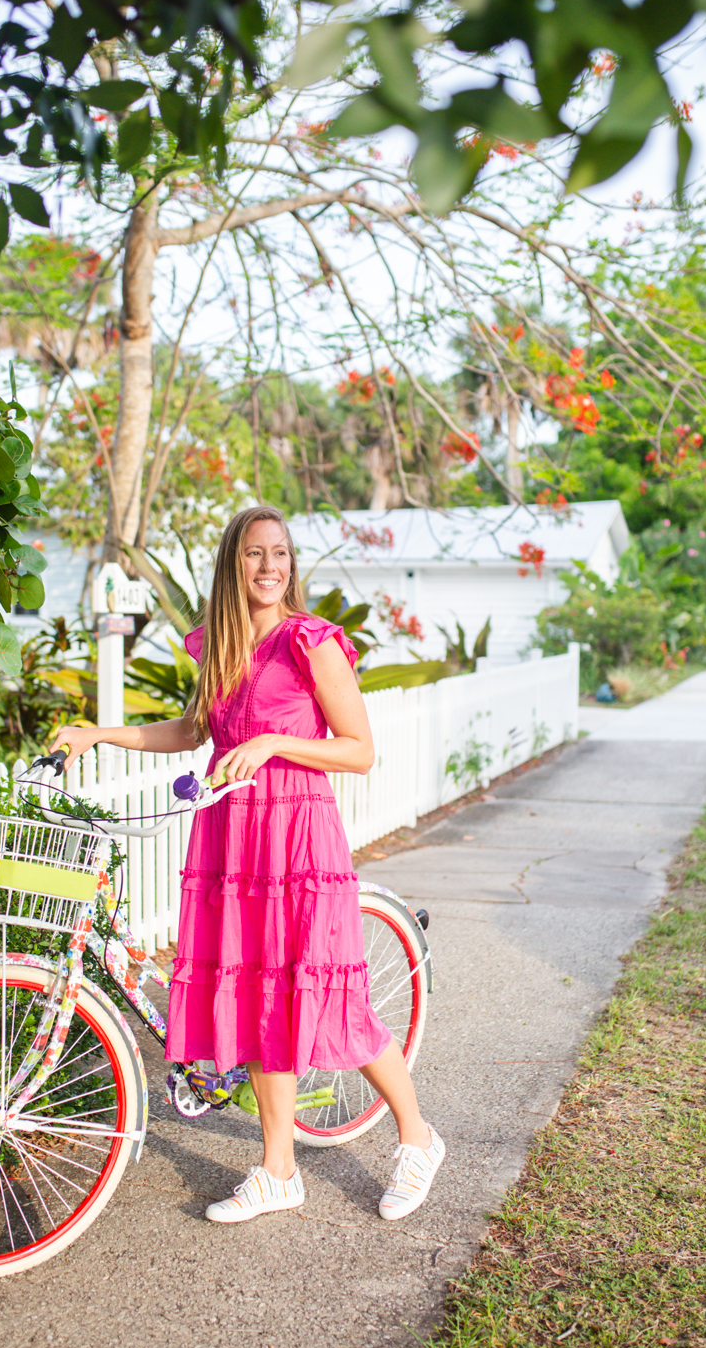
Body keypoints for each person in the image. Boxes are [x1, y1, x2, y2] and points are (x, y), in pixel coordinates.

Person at [50, 505, 443, 1223]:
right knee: (258, 1001)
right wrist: (99, 734)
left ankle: (418, 1139)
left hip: (298, 837)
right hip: (232, 839)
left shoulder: (309, 641)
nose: (270, 567)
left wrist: (274, 745)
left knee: (331, 1002)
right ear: (233, 563)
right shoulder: (222, 645)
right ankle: (277, 1170)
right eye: (256, 554)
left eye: (281, 554)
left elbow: (359, 749)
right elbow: (191, 731)